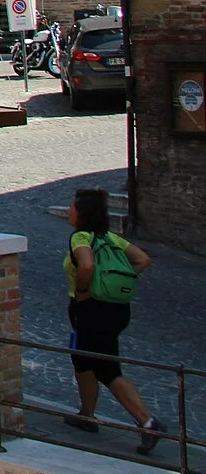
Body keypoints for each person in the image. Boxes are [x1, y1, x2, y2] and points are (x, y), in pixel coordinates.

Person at [63, 188, 164, 451]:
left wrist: (87, 290)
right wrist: (116, 282)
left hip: (91, 309)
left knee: (107, 369)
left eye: (73, 207)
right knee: (82, 359)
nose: (70, 210)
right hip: (117, 309)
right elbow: (143, 260)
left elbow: (86, 266)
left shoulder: (80, 238)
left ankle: (147, 422)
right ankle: (86, 415)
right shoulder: (110, 238)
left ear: (82, 213)